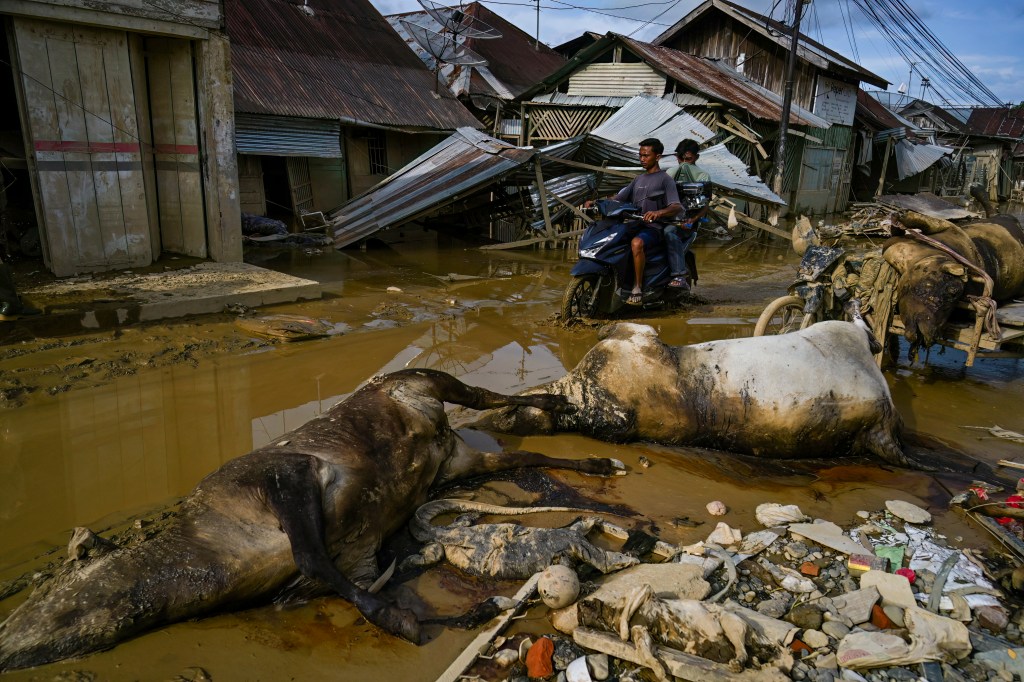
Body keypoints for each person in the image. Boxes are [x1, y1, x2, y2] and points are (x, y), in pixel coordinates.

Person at [611, 138, 681, 305]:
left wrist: (659, 212)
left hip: (654, 228)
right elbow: (619, 198)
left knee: (636, 243)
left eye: (646, 155)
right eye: (640, 155)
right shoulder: (638, 179)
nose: (642, 159)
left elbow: (676, 206)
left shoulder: (665, 179)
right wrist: (597, 201)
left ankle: (637, 287)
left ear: (657, 157)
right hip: (634, 224)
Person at [666, 139, 712, 290]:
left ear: (696, 158)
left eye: (688, 159)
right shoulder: (668, 174)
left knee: (669, 233)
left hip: (686, 222)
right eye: (682, 159)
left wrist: (693, 219)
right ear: (676, 157)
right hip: (666, 218)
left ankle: (678, 274)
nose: (684, 163)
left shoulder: (703, 177)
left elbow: (705, 205)